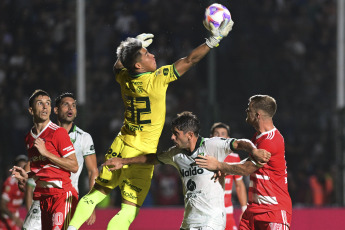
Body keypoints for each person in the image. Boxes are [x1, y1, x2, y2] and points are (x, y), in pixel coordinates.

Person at [67, 15, 235, 230]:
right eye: (146, 54)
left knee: (95, 195)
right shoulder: (158, 79)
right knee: (128, 210)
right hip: (142, 155)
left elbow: (118, 66)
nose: (152, 54)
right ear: (138, 64)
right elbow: (190, 60)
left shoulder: (125, 78)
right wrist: (214, 39)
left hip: (121, 146)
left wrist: (133, 45)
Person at [100, 111, 270, 230]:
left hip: (211, 221)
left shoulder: (212, 145)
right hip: (189, 221)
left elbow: (240, 143)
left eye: (176, 134)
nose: (172, 138)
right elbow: (151, 159)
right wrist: (123, 161)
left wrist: (254, 151)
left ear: (189, 135)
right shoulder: (176, 154)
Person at [196, 95, 292, 230]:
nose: (246, 111)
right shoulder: (258, 137)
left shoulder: (272, 140)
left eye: (249, 109)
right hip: (253, 210)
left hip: (273, 210)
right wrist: (225, 169)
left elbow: (247, 168)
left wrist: (218, 165)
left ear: (258, 115)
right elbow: (249, 161)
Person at [22, 92, 99, 230]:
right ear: (56, 110)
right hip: (43, 194)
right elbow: (35, 165)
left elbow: (92, 170)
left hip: (64, 194)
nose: (71, 109)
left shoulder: (83, 137)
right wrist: (25, 176)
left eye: (74, 106)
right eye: (66, 105)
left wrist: (91, 203)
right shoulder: (37, 135)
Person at [11, 89, 79, 230]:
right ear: (31, 110)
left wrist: (46, 153)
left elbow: (74, 166)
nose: (45, 107)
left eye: (48, 103)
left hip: (61, 195)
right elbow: (41, 168)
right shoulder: (29, 138)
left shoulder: (58, 132)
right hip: (43, 197)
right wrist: (26, 176)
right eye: (40, 103)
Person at [210, 122, 247, 230]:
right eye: (216, 134)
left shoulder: (234, 158)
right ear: (211, 137)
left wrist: (244, 209)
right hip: (208, 211)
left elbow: (239, 185)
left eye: (223, 134)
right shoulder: (204, 158)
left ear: (228, 138)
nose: (219, 136)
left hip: (227, 212)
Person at [0, 155, 28, 230]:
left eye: (24, 167)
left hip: (15, 215)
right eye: (20, 167)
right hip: (5, 218)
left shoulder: (27, 182)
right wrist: (14, 219)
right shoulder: (10, 182)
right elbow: (2, 205)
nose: (22, 170)